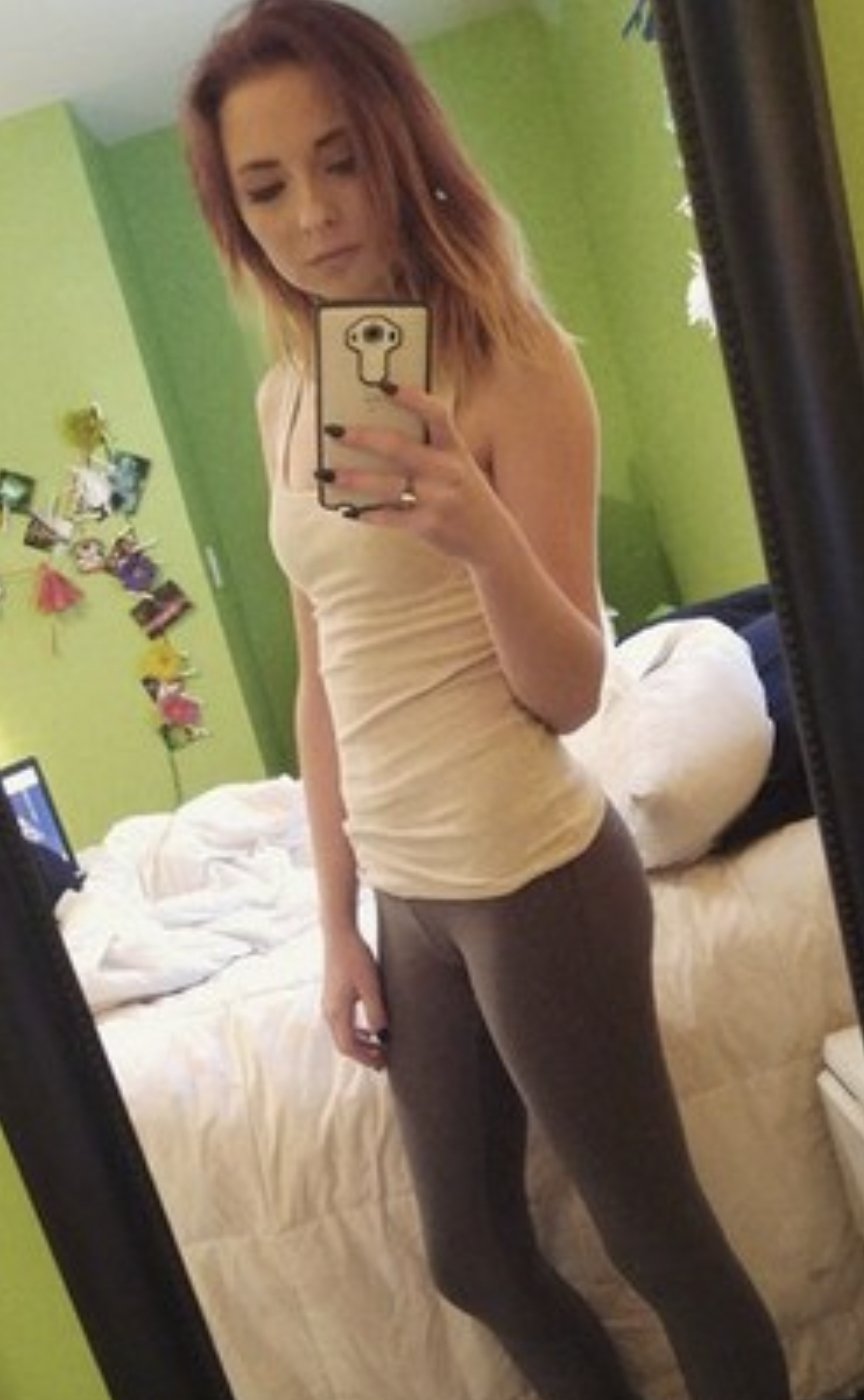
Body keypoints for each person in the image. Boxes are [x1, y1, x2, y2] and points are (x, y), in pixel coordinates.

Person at [181, 4, 791, 1396]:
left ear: (399, 148)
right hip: (407, 897)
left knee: (660, 1243)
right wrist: (334, 925)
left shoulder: (520, 358)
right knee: (469, 1254)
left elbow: (572, 691)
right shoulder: (288, 400)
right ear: (234, 216)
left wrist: (481, 537)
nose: (314, 215)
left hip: (533, 876)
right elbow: (322, 678)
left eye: (341, 159)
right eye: (265, 187)